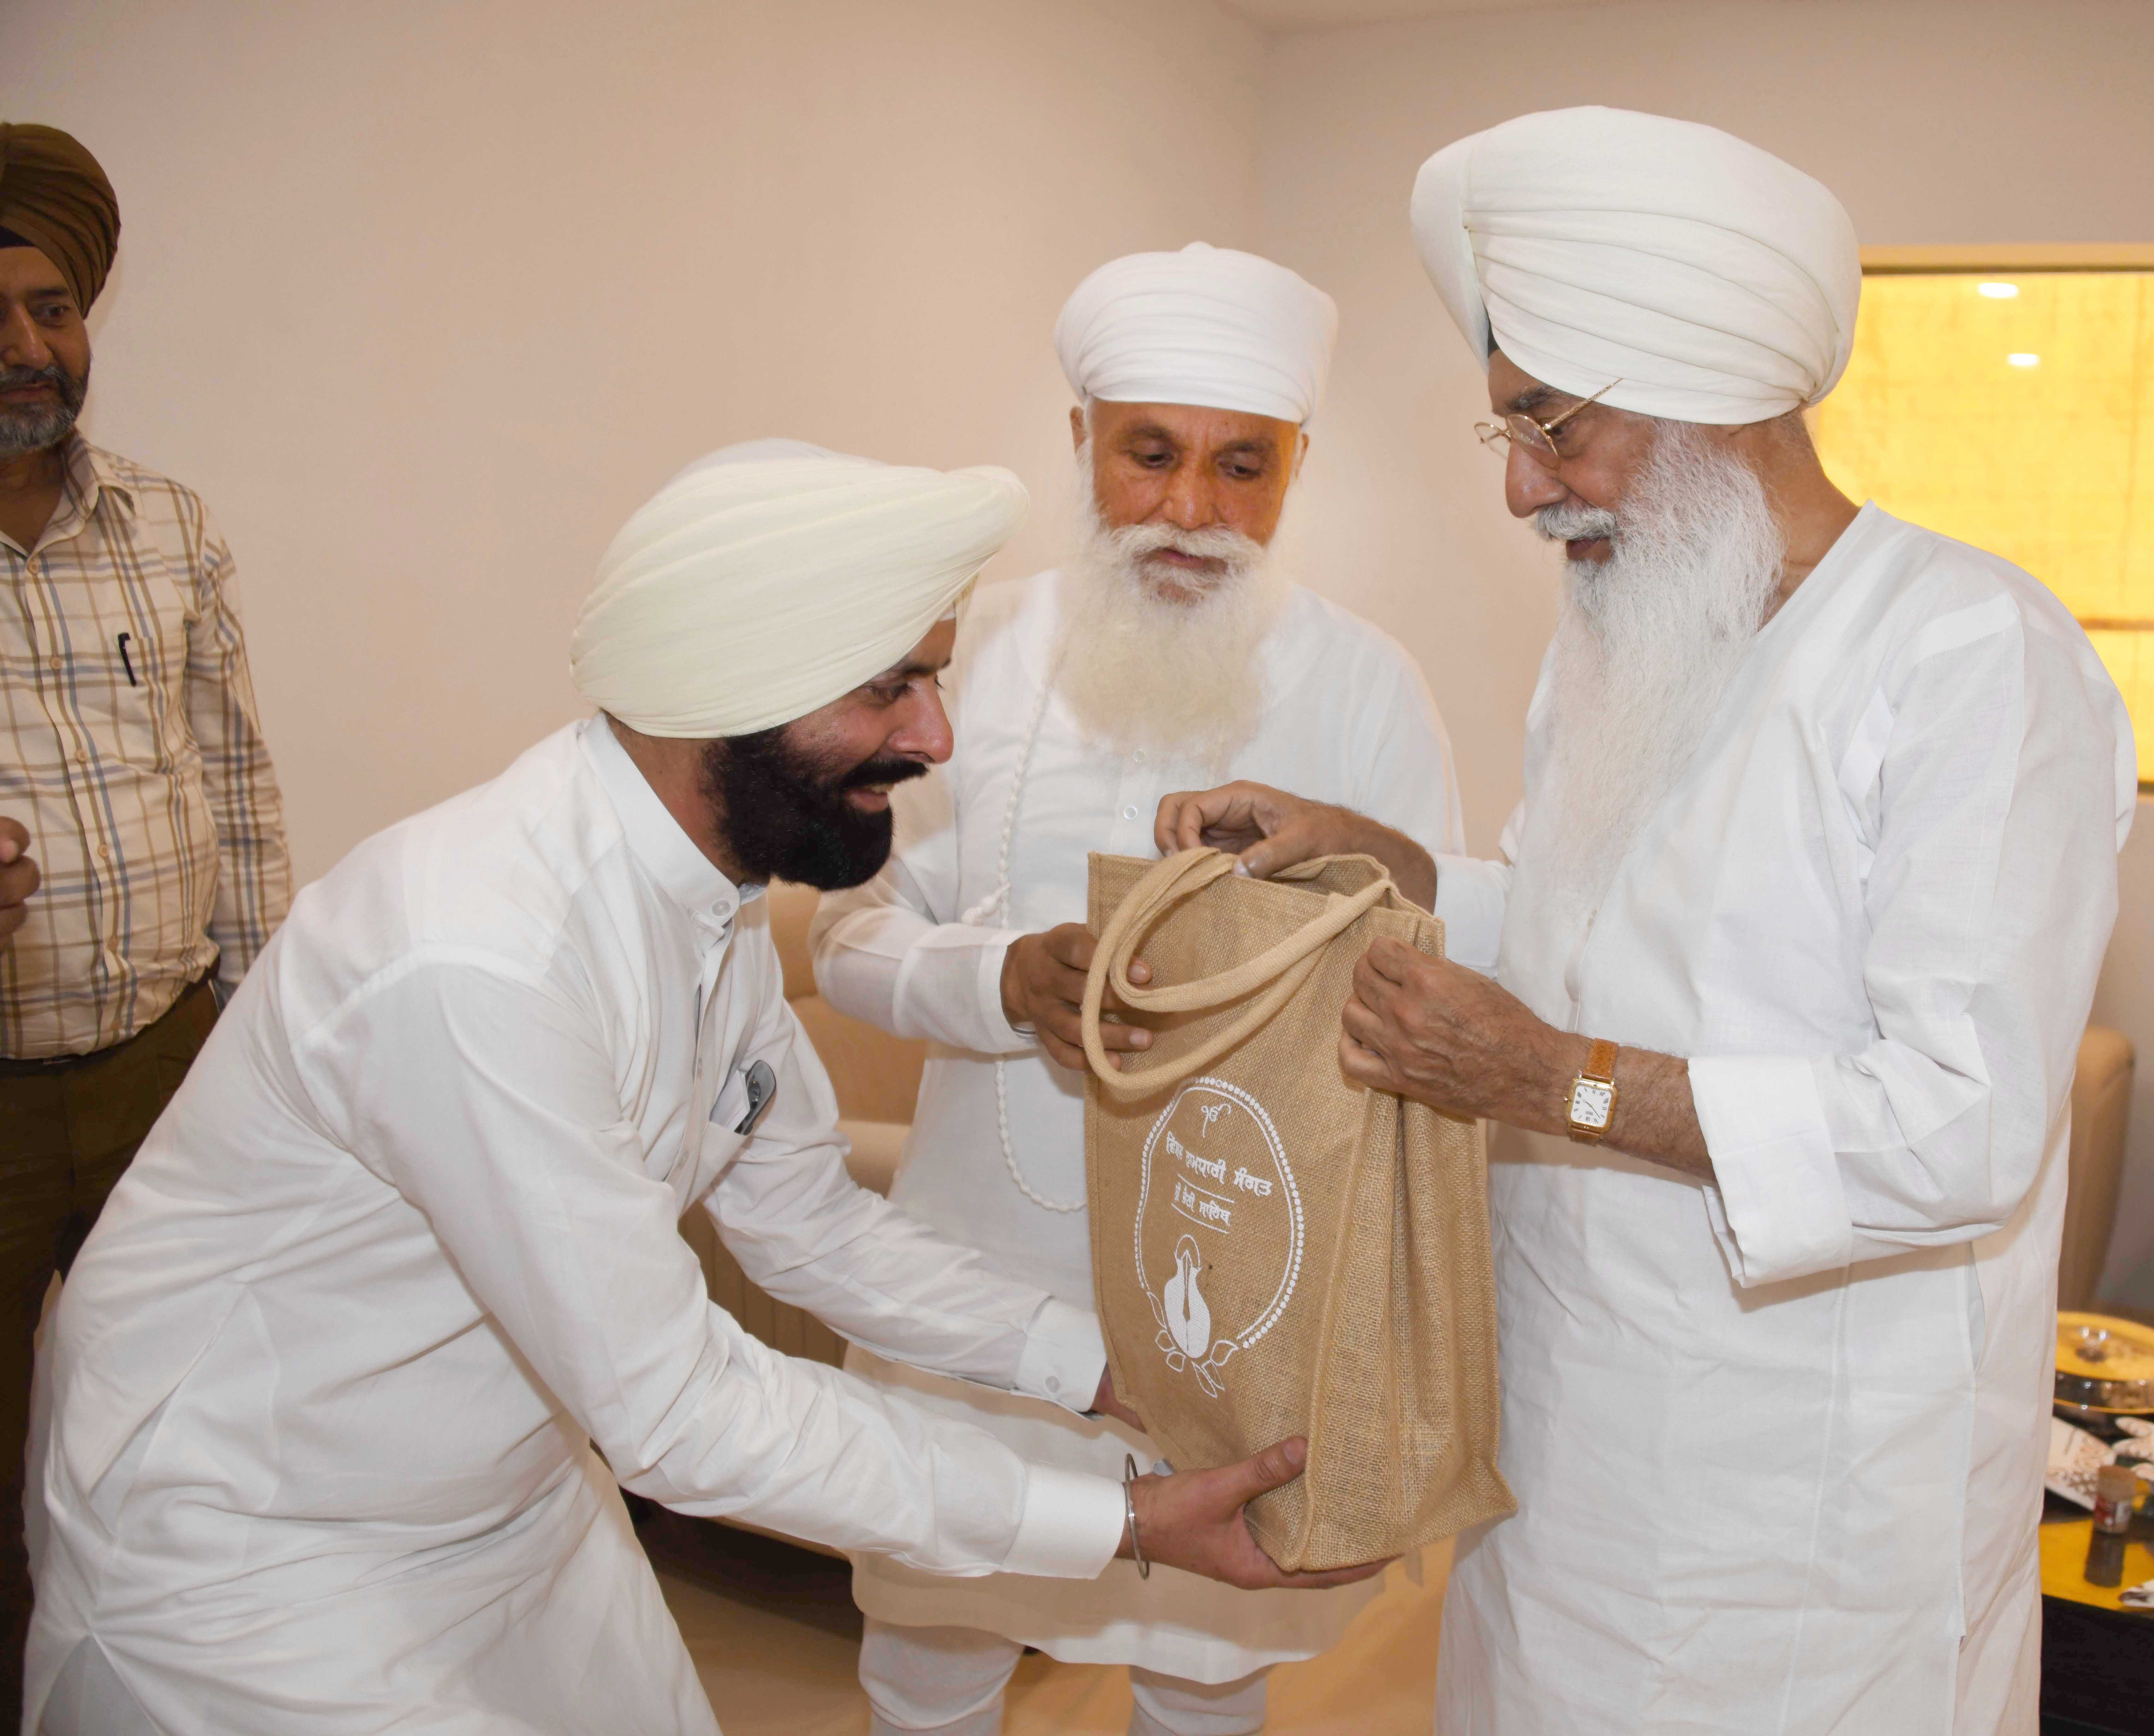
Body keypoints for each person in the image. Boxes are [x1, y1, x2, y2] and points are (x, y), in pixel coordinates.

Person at [25, 442, 1379, 1736]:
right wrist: (1120, 1520)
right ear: (733, 685)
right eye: (893, 688)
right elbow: (677, 1406)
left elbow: (811, 1224)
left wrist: (1111, 1368)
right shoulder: (479, 955)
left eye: (935, 678)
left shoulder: (699, 894)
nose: (938, 735)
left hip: (506, 1497)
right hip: (252, 1539)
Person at [1158, 107, 2136, 1734]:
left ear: (1712, 387)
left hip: (1803, 1510)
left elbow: (1958, 1124)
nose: (1521, 489)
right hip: (1565, 1437)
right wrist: (1385, 862)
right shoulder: (1620, 635)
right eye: (1507, 433)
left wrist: (1552, 1082)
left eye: (1552, 426)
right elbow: (1578, 931)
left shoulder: (1970, 656)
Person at [812, 244, 1462, 1736]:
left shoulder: (1367, 684)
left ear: (1299, 469)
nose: (1192, 510)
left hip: (1241, 1288)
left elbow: (1434, 954)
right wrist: (997, 980)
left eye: (1244, 466)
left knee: (1202, 1669)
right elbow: (846, 932)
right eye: (1151, 454)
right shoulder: (967, 656)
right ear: (1081, 441)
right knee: (931, 1654)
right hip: (975, 1271)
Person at [0, 122, 290, 1721]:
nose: (27, 347)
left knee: (195, 1424)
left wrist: (264, 1038)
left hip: (171, 1069)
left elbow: (237, 784)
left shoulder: (170, 524)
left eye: (52, 307)